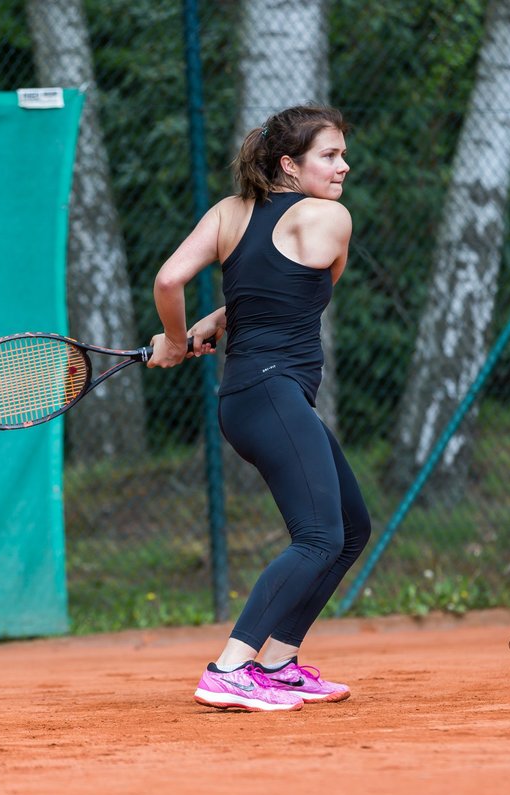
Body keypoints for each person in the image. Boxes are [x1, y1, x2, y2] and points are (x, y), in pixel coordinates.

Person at [147, 104, 372, 712]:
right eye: (329, 155)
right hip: (273, 392)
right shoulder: (329, 219)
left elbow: (176, 283)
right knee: (319, 537)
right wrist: (178, 338)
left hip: (253, 396)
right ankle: (230, 667)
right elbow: (313, 290)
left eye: (341, 154)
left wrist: (194, 329)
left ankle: (277, 662)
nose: (343, 165)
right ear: (289, 165)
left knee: (351, 528)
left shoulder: (227, 213)